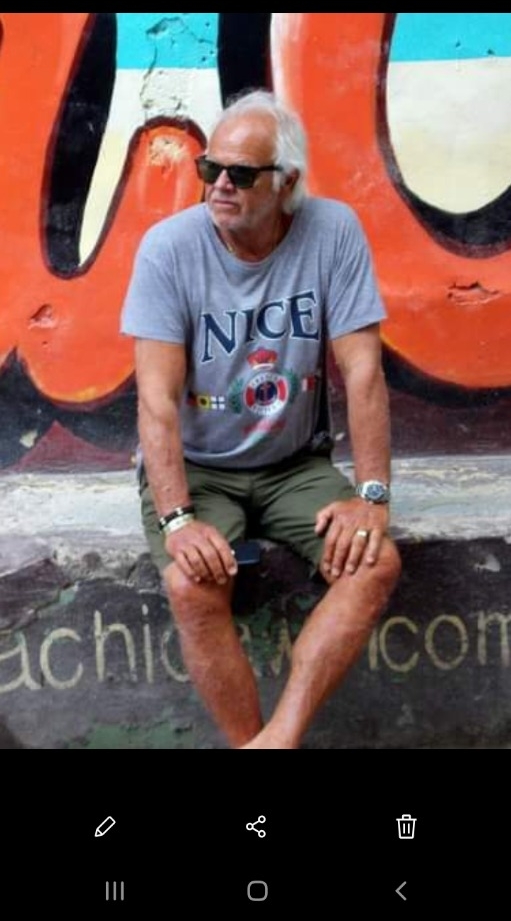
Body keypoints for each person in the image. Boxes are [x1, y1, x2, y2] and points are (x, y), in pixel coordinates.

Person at [120, 89, 401, 749]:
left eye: (241, 174)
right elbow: (154, 400)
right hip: (199, 469)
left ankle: (279, 738)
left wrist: (372, 496)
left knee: (374, 563)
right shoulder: (169, 250)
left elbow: (362, 371)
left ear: (287, 183)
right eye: (210, 168)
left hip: (294, 465)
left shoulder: (332, 233)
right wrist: (178, 519)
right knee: (193, 583)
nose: (219, 185)